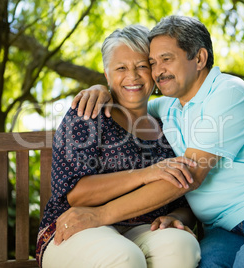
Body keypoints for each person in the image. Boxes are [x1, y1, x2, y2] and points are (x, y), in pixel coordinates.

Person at [71, 15, 244, 268]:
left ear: (199, 58)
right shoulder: (168, 106)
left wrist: (99, 215)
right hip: (222, 227)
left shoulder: (228, 92)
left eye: (166, 59)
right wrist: (100, 90)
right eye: (152, 62)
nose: (158, 71)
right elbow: (128, 100)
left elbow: (187, 176)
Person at [36, 24, 201, 268]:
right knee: (123, 257)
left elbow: (183, 199)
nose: (132, 76)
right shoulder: (88, 114)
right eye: (121, 68)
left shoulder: (169, 125)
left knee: (182, 248)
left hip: (143, 228)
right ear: (106, 74)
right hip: (75, 227)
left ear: (154, 71)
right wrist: (146, 174)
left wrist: (176, 217)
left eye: (142, 66)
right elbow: (76, 194)